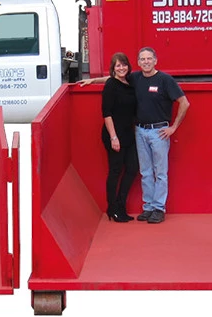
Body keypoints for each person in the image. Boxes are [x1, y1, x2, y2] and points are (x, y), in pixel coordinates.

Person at [80, 47, 189, 224]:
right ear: (138, 63)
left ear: (155, 60)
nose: (146, 62)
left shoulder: (165, 80)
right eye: (143, 59)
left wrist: (174, 127)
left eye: (149, 59)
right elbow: (114, 79)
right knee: (145, 172)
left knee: (160, 172)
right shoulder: (136, 78)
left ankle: (158, 208)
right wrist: (92, 80)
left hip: (159, 132)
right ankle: (148, 207)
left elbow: (184, 102)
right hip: (139, 131)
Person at [100, 52, 137, 222]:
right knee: (115, 171)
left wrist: (93, 80)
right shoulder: (111, 85)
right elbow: (106, 113)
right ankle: (112, 208)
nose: (121, 68)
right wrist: (114, 138)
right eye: (118, 65)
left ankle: (121, 205)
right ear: (113, 69)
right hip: (114, 134)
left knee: (132, 168)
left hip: (129, 134)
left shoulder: (130, 82)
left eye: (124, 65)